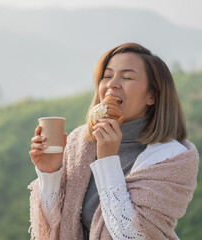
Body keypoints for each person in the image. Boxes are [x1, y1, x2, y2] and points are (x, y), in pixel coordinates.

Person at [28, 43, 199, 240]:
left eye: (127, 77)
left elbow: (133, 235)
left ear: (152, 96)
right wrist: (50, 172)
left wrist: (108, 161)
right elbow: (55, 226)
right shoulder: (80, 143)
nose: (112, 84)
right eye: (107, 76)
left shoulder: (174, 159)